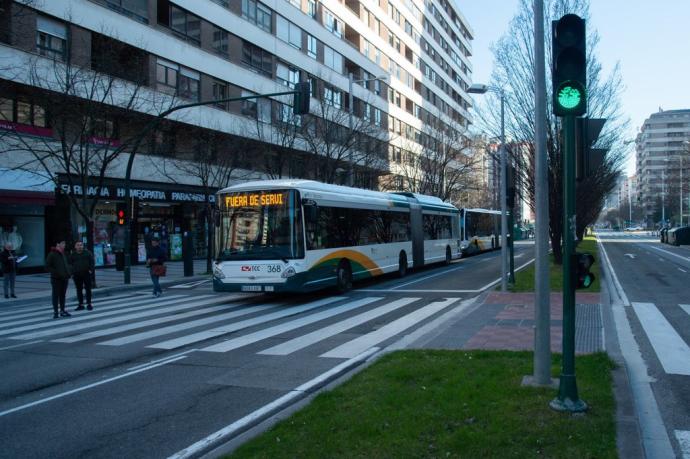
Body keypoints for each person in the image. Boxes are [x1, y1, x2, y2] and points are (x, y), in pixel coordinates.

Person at [45, 240, 71, 319]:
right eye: (63, 243)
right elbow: (47, 267)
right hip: (56, 278)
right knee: (55, 295)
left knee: (62, 295)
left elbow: (67, 264)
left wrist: (69, 272)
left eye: (64, 243)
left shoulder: (63, 253)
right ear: (57, 244)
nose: (64, 245)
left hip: (65, 278)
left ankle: (62, 310)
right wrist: (56, 272)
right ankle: (56, 311)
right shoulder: (52, 254)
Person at [69, 241, 95, 311]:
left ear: (83, 246)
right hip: (77, 274)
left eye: (81, 245)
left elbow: (92, 262)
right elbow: (70, 264)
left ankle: (89, 304)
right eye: (78, 245)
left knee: (88, 289)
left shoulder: (87, 253)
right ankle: (81, 304)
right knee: (79, 289)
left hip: (86, 273)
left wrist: (91, 270)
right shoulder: (73, 255)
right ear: (75, 246)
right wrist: (71, 273)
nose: (79, 246)